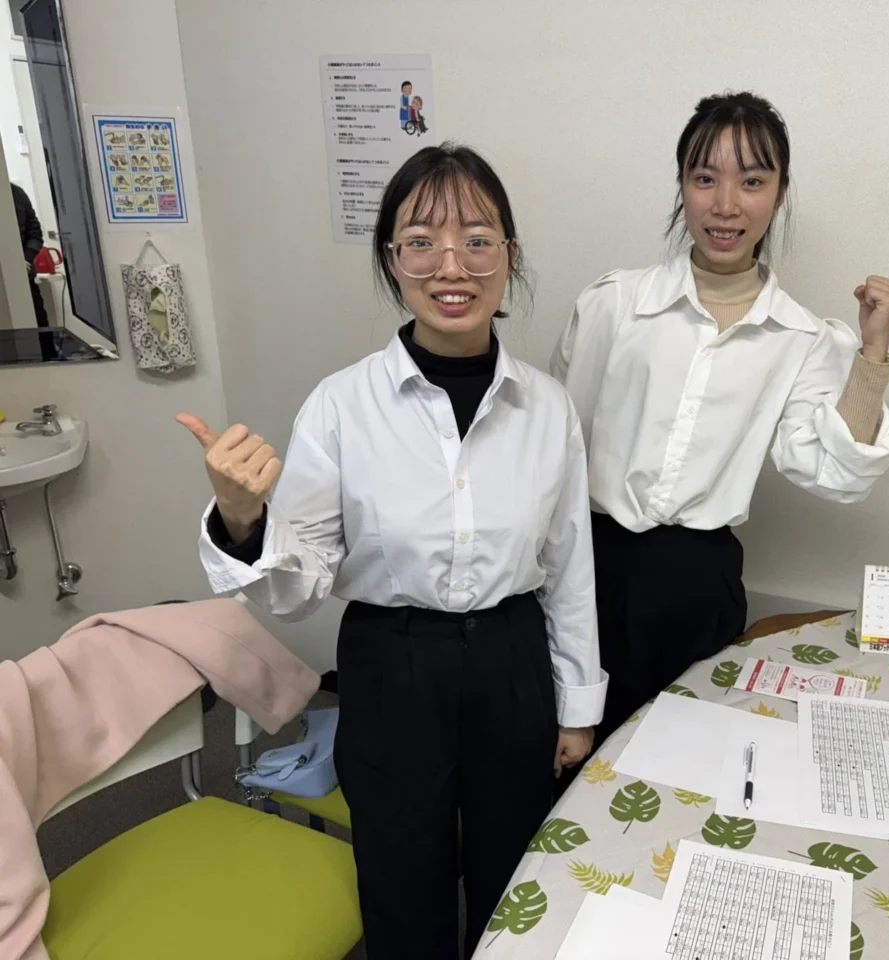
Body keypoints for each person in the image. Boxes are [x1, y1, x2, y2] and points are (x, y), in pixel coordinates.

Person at [177, 144, 605, 958]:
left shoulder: (547, 408)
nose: (452, 265)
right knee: (401, 880)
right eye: (421, 241)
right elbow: (298, 587)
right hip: (391, 666)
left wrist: (578, 708)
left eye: (477, 240)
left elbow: (569, 568)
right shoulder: (341, 406)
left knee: (517, 878)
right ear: (391, 260)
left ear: (510, 256)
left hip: (513, 663)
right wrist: (242, 518)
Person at [553, 91, 889, 743]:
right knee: (567, 758)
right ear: (682, 185)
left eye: (752, 181)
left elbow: (833, 473)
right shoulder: (615, 303)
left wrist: (873, 353)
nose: (725, 205)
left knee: (682, 766)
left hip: (698, 584)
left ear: (779, 193)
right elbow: (557, 443)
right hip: (588, 571)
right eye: (705, 178)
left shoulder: (800, 337)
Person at [10, 183, 47, 328]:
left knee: (40, 325)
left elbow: (35, 233)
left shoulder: (16, 192)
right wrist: (10, 263)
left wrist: (25, 260)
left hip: (25, 276)